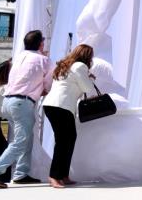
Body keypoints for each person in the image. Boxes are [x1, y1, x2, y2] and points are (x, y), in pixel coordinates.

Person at [0, 30, 53, 188]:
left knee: (24, 140)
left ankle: (21, 173)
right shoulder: (44, 60)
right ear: (41, 43)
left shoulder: (18, 57)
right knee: (21, 141)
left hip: (8, 102)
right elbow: (48, 86)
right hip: (22, 103)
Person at [41, 44, 97, 188]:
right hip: (61, 106)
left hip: (54, 105)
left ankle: (63, 175)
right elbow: (88, 89)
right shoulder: (79, 66)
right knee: (63, 141)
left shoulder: (64, 66)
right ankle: (54, 176)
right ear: (87, 56)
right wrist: (90, 79)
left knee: (68, 139)